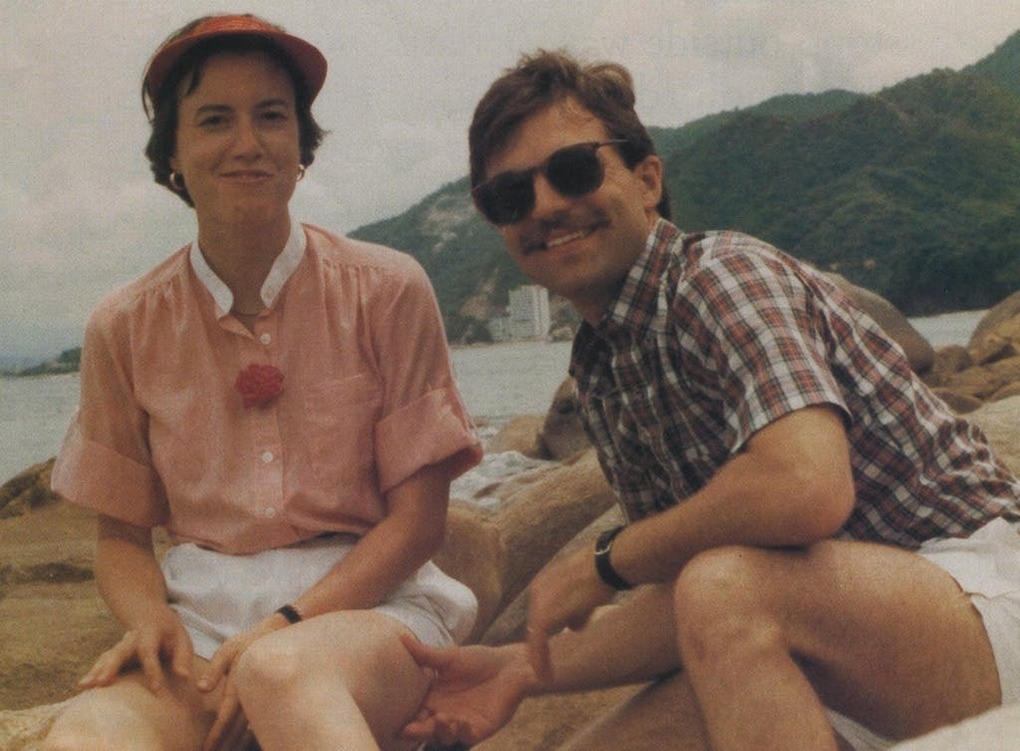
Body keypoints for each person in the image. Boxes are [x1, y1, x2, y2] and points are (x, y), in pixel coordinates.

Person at [401, 50, 1020, 751]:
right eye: (510, 196)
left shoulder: (720, 277)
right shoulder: (606, 369)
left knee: (722, 586)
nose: (543, 206)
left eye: (572, 170)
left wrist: (604, 559)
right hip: (835, 642)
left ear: (647, 180)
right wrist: (522, 667)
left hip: (981, 591)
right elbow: (687, 596)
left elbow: (805, 487)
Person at [42, 14, 481, 751]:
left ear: (301, 145)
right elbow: (120, 535)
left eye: (272, 116)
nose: (247, 142)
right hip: (202, 628)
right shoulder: (123, 324)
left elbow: (417, 524)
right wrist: (150, 618)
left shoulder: (388, 290)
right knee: (86, 736)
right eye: (215, 119)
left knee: (282, 673)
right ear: (172, 153)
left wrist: (285, 627)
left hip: (370, 612)